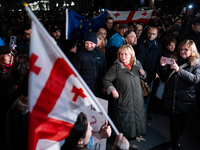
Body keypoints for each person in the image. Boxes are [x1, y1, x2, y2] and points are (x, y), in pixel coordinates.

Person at [159, 40, 200, 150]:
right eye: (181, 49)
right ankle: (174, 143)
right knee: (175, 123)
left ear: (192, 50)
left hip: (187, 99)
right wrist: (163, 66)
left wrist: (179, 70)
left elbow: (196, 79)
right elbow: (164, 77)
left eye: (186, 49)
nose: (183, 51)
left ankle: (175, 140)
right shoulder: (174, 59)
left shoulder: (196, 62)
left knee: (183, 124)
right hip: (173, 97)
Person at [103, 44, 147, 139]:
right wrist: (113, 90)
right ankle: (127, 135)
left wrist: (143, 74)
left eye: (126, 54)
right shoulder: (116, 67)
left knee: (138, 114)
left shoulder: (137, 64)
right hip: (124, 98)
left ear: (131, 55)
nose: (123, 57)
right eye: (121, 54)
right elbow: (106, 80)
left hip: (137, 97)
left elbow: (143, 77)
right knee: (126, 118)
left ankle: (139, 132)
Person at [61, 112, 129, 150]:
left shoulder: (71, 143)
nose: (91, 128)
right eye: (88, 128)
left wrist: (100, 135)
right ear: (79, 141)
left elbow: (87, 143)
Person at [137, 27, 162, 120]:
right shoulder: (140, 42)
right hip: (140, 70)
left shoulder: (158, 45)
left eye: (153, 34)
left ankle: (144, 112)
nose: (151, 36)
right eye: (149, 33)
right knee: (138, 92)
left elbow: (158, 60)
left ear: (157, 35)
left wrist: (156, 72)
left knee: (148, 92)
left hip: (151, 72)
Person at [73, 32, 106, 98]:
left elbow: (104, 70)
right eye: (87, 43)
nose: (89, 46)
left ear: (95, 43)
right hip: (84, 87)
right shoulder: (79, 55)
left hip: (98, 87)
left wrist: (104, 86)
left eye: (91, 43)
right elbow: (75, 72)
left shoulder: (100, 54)